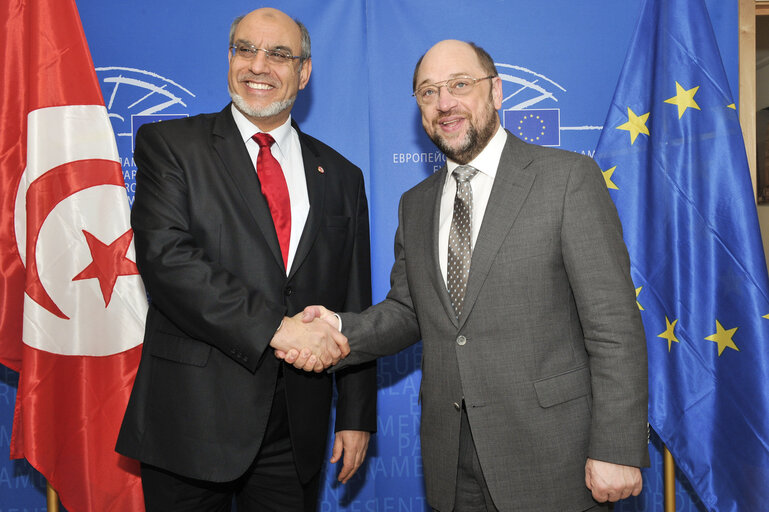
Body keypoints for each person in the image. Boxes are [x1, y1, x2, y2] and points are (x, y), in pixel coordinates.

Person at [285, 40, 649, 511]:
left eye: (460, 85)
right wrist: (337, 328)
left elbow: (614, 326)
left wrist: (616, 447)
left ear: (496, 92)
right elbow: (408, 310)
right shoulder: (415, 204)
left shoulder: (567, 179)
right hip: (452, 463)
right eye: (428, 92)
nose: (444, 104)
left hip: (555, 458)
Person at [116, 8, 376, 511]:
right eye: (245, 49)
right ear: (229, 58)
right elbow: (168, 262)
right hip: (191, 420)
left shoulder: (342, 176)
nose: (259, 65)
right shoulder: (171, 146)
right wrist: (279, 329)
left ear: (304, 71)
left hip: (295, 429)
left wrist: (356, 413)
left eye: (279, 54)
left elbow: (353, 299)